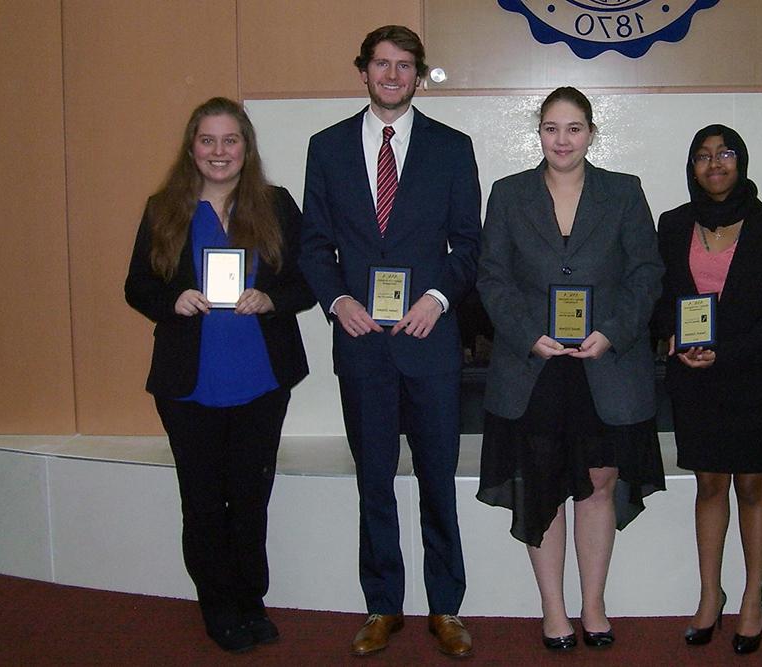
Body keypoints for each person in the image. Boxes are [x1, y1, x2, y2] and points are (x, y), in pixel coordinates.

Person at [299, 25, 481, 658]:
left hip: (429, 341)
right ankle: (382, 604)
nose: (393, 75)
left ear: (420, 74)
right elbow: (314, 244)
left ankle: (446, 607)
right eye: (382, 64)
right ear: (364, 71)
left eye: (405, 66)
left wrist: (436, 299)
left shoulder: (452, 148)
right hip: (362, 343)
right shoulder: (325, 148)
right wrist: (336, 300)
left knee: (437, 477)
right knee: (373, 478)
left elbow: (470, 246)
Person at [476, 87, 666, 650]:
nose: (563, 139)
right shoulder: (508, 194)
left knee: (600, 483)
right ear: (539, 132)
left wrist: (612, 331)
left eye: (575, 128)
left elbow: (646, 273)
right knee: (543, 486)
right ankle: (553, 610)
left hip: (603, 364)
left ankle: (594, 605)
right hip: (534, 365)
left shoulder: (624, 193)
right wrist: (527, 334)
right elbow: (491, 277)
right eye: (552, 128)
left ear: (591, 133)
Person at [124, 97, 315, 653]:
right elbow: (136, 285)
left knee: (251, 497)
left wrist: (271, 298)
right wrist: (172, 299)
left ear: (246, 148)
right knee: (203, 501)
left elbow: (308, 280)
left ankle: (252, 600)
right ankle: (218, 605)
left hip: (261, 380)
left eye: (230, 140)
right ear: (191, 148)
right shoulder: (164, 209)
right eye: (207, 141)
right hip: (190, 385)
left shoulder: (276, 205)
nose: (219, 152)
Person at [653, 124, 762, 655]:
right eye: (702, 156)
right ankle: (709, 595)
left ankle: (753, 598)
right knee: (709, 486)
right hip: (693, 379)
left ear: (741, 161)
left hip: (753, 376)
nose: (714, 164)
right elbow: (659, 293)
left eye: (725, 154)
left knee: (752, 487)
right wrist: (669, 335)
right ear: (691, 167)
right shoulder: (672, 224)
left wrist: (731, 352)